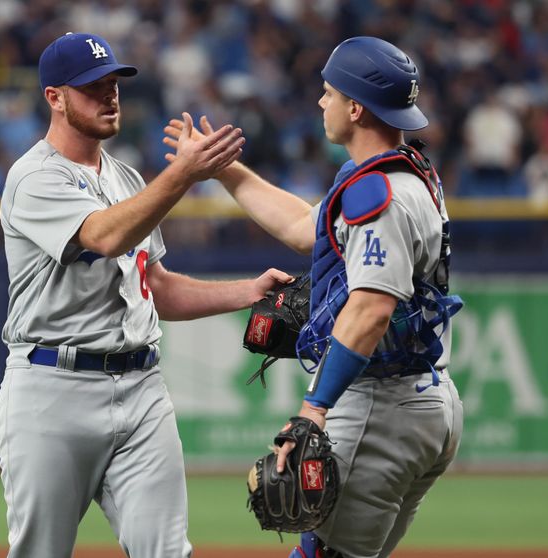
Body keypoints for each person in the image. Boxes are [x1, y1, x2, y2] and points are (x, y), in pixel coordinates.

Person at [0, 32, 291, 558]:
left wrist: (248, 292)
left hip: (142, 387)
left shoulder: (127, 178)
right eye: (92, 87)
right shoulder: (33, 176)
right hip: (52, 390)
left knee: (168, 552)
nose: (109, 96)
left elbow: (157, 289)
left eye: (113, 83)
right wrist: (183, 174)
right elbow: (105, 237)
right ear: (54, 97)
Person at [165, 36, 464, 558]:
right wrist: (223, 169)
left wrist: (313, 410)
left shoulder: (382, 195)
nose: (321, 103)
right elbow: (307, 229)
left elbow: (371, 308)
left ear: (355, 107)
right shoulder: (396, 172)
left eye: (329, 93)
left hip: (379, 405)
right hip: (417, 399)